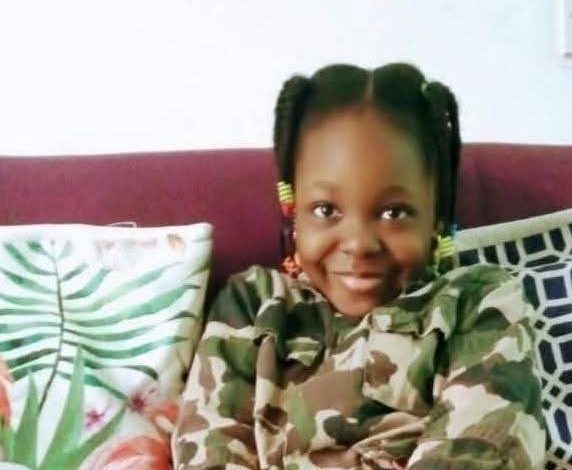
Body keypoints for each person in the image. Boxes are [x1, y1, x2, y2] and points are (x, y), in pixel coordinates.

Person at [172, 63, 545, 469]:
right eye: (326, 210)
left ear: (435, 217)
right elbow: (209, 443)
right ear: (293, 210)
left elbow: (483, 443)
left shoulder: (477, 303)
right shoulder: (250, 305)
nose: (359, 244)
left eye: (394, 213)